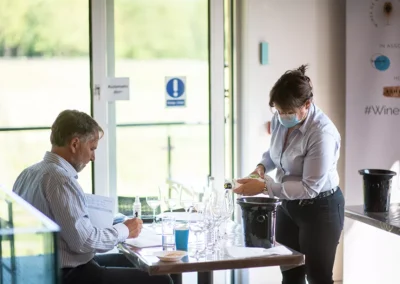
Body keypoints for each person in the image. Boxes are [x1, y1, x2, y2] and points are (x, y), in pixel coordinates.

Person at [13, 110, 172, 284]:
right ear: (75, 144)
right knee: (161, 279)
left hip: (37, 271)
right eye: (92, 148)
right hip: (69, 275)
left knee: (135, 263)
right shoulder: (61, 180)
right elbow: (85, 241)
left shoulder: (27, 174)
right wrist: (126, 230)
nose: (93, 157)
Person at [234, 65, 344, 284]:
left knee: (318, 277)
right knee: (290, 275)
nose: (282, 116)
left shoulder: (322, 133)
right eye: (278, 111)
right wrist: (261, 168)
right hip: (288, 205)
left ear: (307, 105)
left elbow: (309, 188)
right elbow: (274, 154)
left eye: (287, 112)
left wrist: (265, 187)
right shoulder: (280, 118)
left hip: (320, 209)